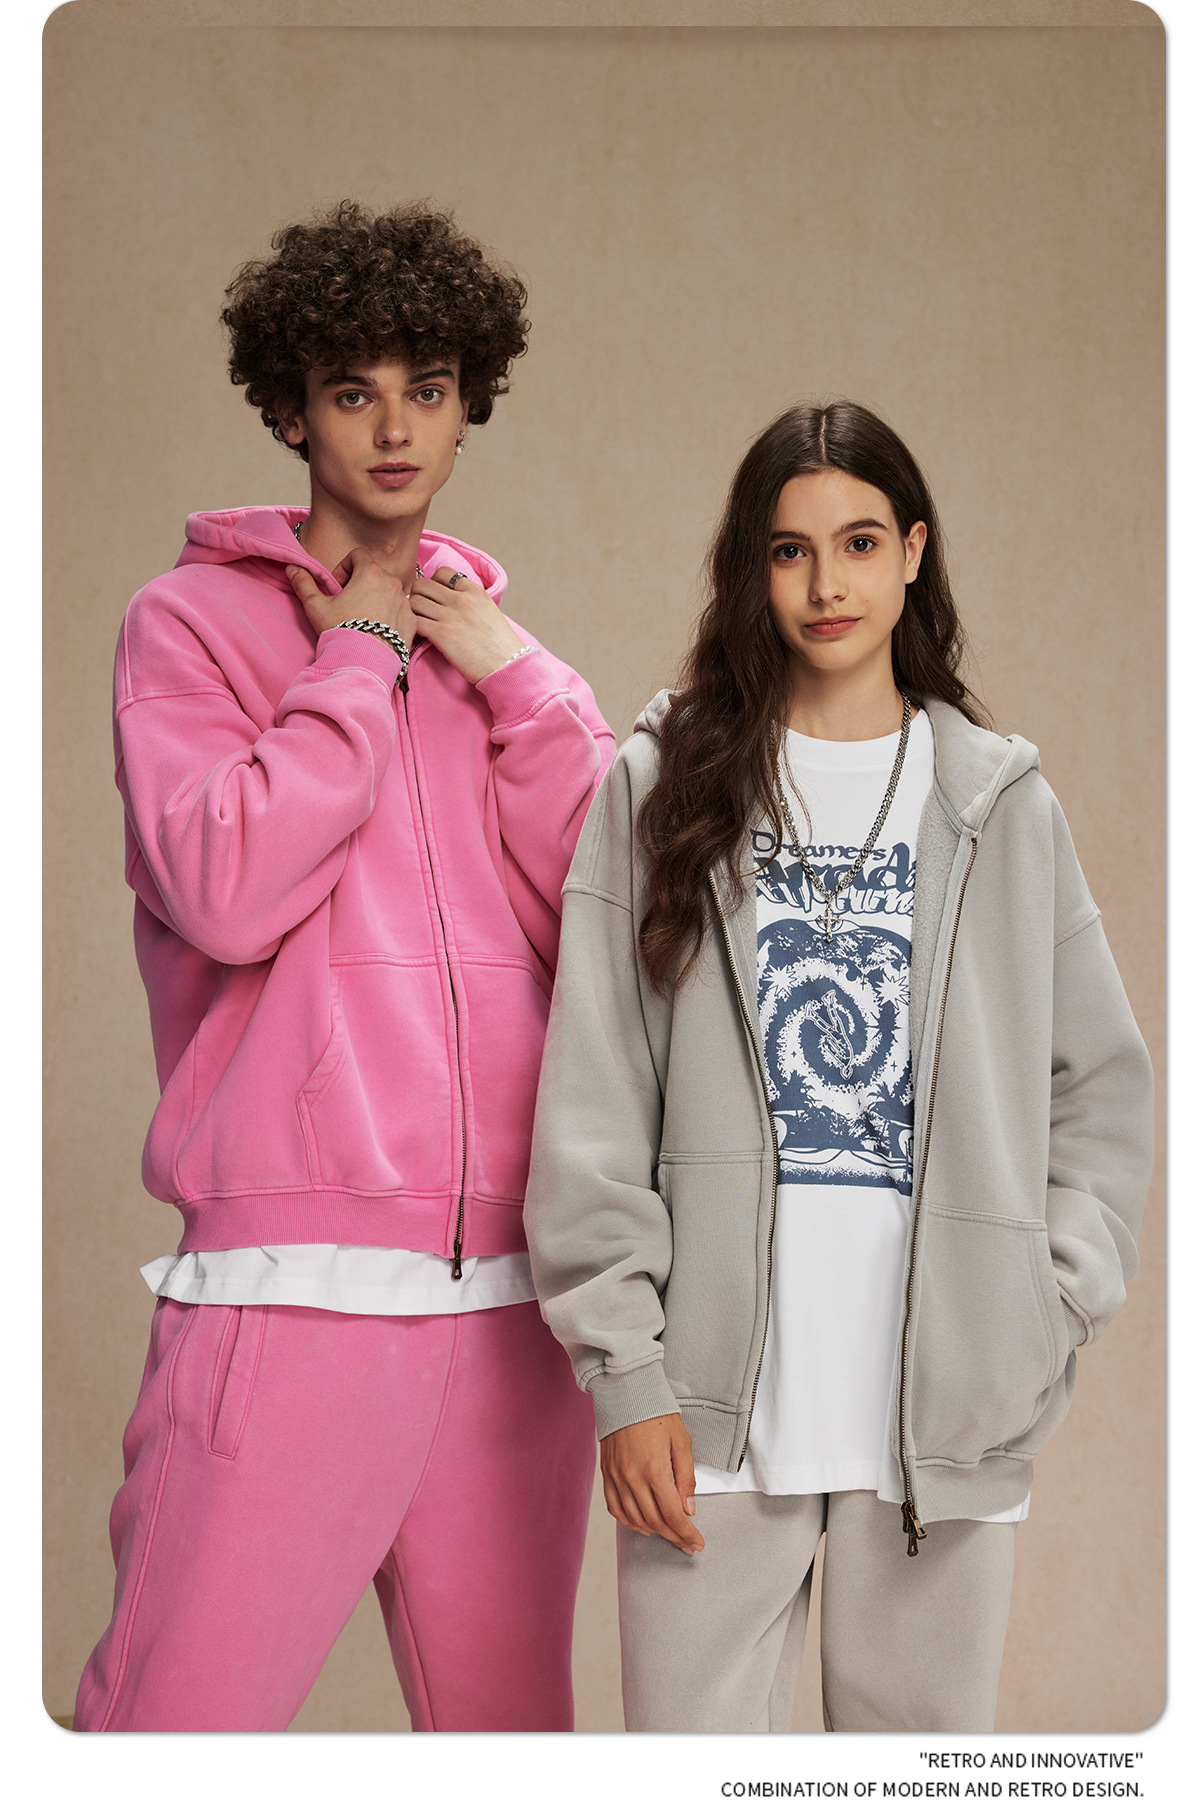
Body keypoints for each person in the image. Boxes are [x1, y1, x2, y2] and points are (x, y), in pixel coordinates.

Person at [524, 400, 1153, 1733]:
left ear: (913, 552)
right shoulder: (662, 788)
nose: (827, 585)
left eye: (860, 543)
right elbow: (594, 1095)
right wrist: (627, 1376)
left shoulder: (998, 804)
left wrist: (1042, 1311)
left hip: (943, 1409)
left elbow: (1099, 1084)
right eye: (790, 550)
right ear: (751, 570)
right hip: (705, 1408)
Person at [74, 200, 613, 1733]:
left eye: (426, 389)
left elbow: (619, 921)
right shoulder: (189, 627)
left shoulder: (491, 648)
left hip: (510, 1302)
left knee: (515, 1749)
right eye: (352, 390)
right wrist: (357, 659)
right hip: (291, 1285)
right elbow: (225, 885)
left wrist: (526, 682)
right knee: (172, 1733)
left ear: (467, 406)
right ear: (290, 407)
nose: (392, 428)